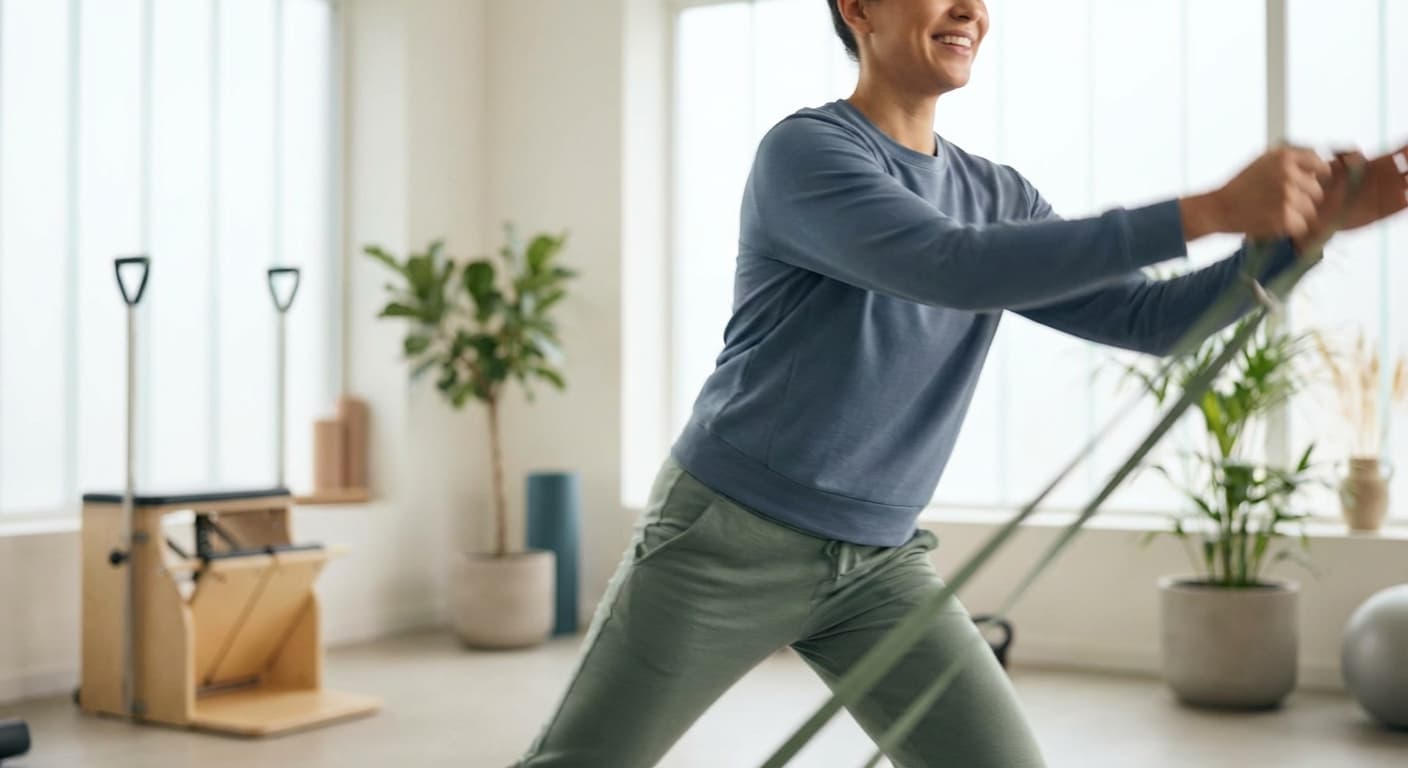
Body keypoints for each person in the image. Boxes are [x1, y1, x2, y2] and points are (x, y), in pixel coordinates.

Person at [517, 1, 1408, 765]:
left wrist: (1306, 239)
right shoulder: (807, 154)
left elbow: (1156, 324)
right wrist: (1208, 210)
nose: (970, 7)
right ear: (856, 8)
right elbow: (951, 266)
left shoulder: (997, 192)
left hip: (879, 564)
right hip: (727, 539)